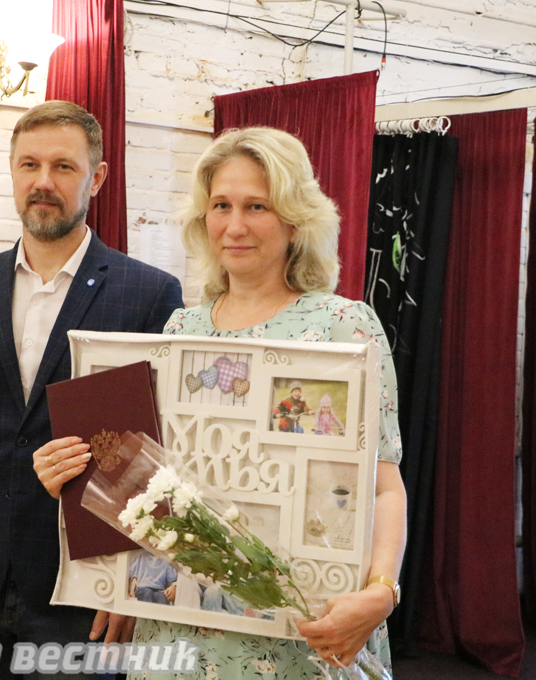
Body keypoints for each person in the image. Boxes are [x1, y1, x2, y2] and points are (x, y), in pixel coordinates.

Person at [0, 100, 183, 678]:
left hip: (85, 588)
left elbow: (167, 453)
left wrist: (139, 579)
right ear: (12, 171)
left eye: (63, 166)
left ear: (96, 178)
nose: (43, 182)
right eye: (29, 165)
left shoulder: (149, 294)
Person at [150, 126, 407, 678]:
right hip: (186, 628)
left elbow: (384, 485)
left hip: (307, 627)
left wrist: (383, 590)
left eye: (257, 206)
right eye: (221, 205)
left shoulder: (343, 326)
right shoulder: (180, 329)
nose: (235, 226)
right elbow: (160, 479)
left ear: (295, 220)